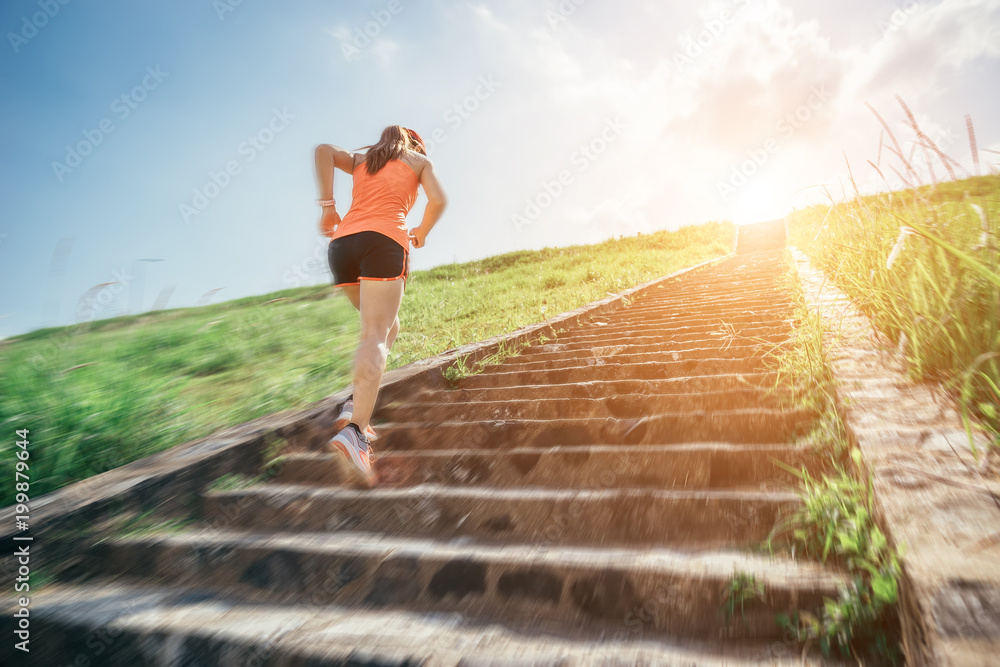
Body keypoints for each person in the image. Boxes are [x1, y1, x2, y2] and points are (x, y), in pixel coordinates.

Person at [314, 125, 447, 487]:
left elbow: (324, 148)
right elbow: (439, 201)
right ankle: (355, 431)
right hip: (384, 240)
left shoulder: (363, 158)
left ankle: (355, 404)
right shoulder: (419, 160)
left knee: (389, 327)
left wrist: (329, 208)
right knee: (375, 332)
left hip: (342, 247)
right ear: (415, 143)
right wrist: (421, 231)